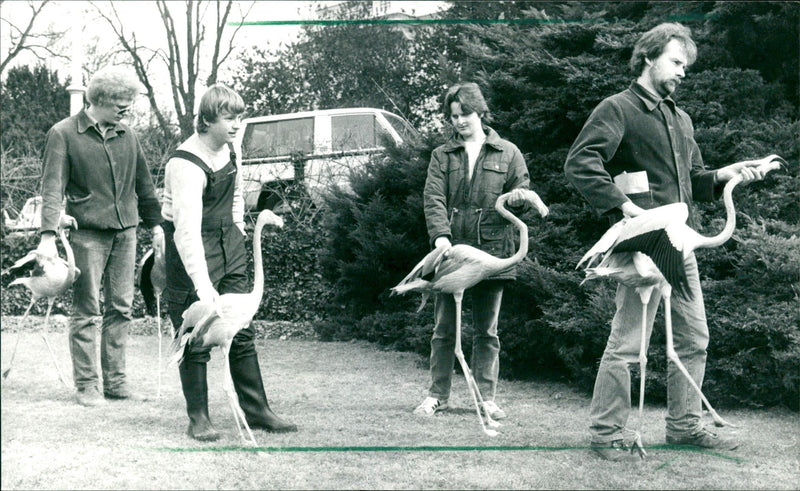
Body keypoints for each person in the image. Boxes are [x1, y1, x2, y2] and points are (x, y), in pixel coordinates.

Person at [564, 23, 769, 461]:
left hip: (683, 246)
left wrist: (724, 174)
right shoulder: (618, 108)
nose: (683, 72)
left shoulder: (679, 118)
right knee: (628, 342)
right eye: (677, 62)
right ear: (648, 57)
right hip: (645, 246)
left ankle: (683, 427)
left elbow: (691, 182)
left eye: (686, 65)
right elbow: (581, 162)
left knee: (695, 338)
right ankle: (606, 433)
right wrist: (623, 207)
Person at [161, 84, 297, 441]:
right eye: (229, 118)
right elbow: (185, 233)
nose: (237, 125)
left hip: (229, 244)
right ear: (207, 120)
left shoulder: (230, 148)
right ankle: (199, 419)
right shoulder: (185, 163)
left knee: (242, 327)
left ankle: (258, 410)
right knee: (196, 334)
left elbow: (236, 196)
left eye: (240, 117)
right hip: (192, 251)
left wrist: (236, 231)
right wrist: (204, 288)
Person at [38, 67, 164, 406]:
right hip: (86, 236)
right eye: (121, 105)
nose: (127, 110)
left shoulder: (129, 135)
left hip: (126, 233)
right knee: (86, 310)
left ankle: (117, 383)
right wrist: (48, 235)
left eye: (129, 104)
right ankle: (87, 385)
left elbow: (145, 186)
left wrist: (156, 226)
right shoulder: (63, 133)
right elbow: (51, 187)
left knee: (121, 308)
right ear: (99, 100)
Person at [415, 82, 538, 420]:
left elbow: (522, 194)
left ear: (481, 112)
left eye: (465, 113)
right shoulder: (442, 155)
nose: (459, 121)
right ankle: (437, 396)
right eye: (453, 116)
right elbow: (434, 198)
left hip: (494, 253)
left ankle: (486, 399)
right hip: (453, 257)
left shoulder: (508, 152)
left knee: (487, 331)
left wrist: (519, 200)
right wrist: (441, 237)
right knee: (443, 330)